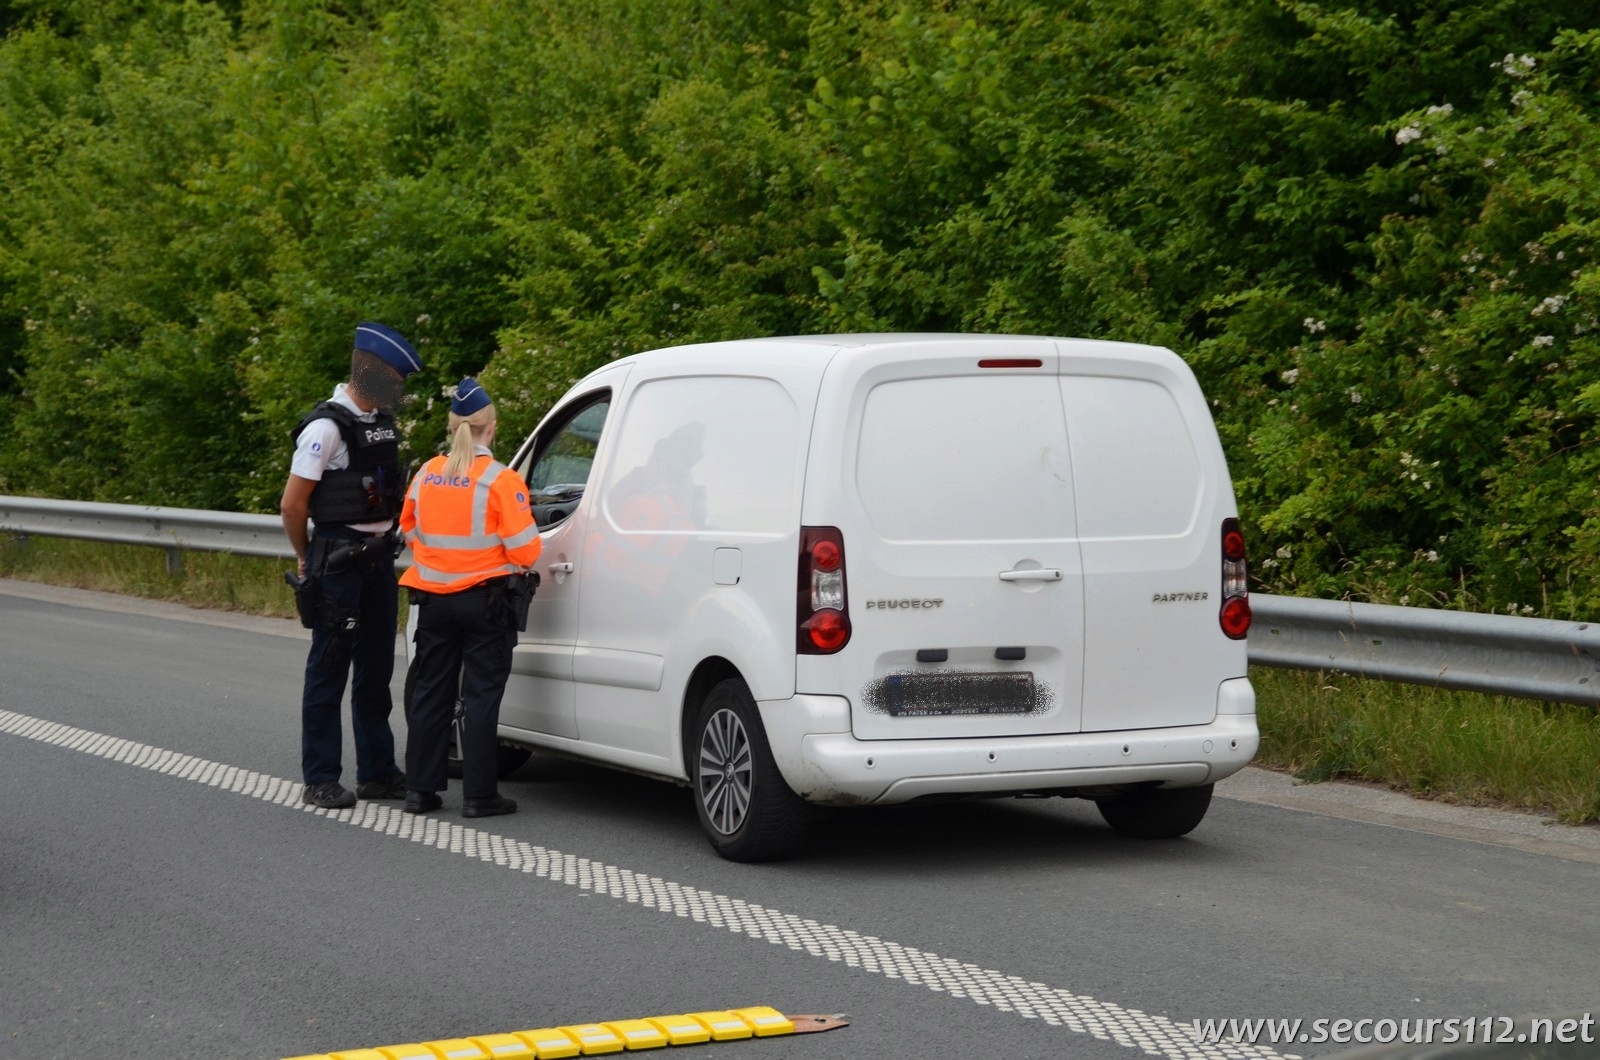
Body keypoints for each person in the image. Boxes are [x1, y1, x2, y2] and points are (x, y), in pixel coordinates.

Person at [279, 321, 422, 810]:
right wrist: (305, 556)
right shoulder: (325, 427)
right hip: (338, 559)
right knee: (329, 668)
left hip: (379, 559)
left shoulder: (379, 421)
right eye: (395, 380)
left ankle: (377, 772)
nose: (400, 389)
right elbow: (293, 506)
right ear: (372, 373)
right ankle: (320, 776)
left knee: (376, 669)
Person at [399, 377, 541, 817]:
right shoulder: (501, 480)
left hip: (434, 601)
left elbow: (409, 529)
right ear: (490, 429)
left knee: (431, 692)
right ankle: (480, 796)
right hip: (486, 603)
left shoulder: (427, 473)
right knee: (480, 696)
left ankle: (420, 791)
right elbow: (526, 550)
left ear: (452, 426)